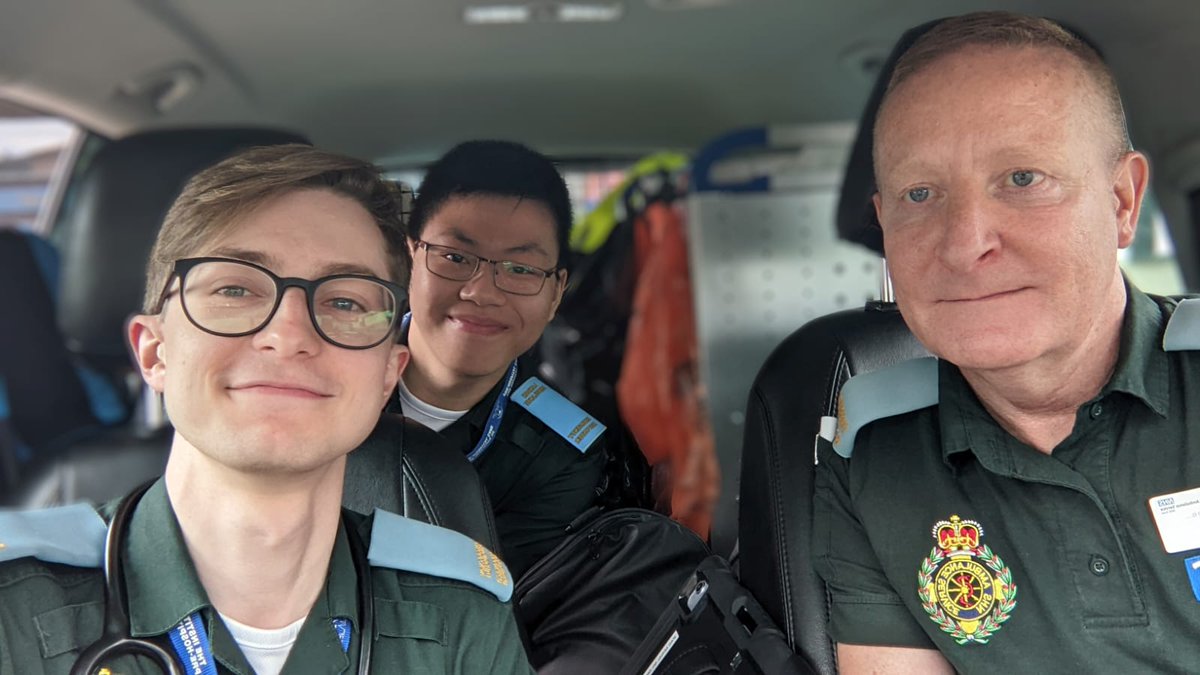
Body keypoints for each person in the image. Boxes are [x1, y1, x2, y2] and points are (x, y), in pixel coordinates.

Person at [0, 144, 533, 674]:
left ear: (388, 375)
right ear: (155, 351)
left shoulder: (462, 613)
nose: (288, 334)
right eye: (236, 289)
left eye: (345, 302)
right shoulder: (12, 609)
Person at [811, 11, 1200, 674]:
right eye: (921, 193)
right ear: (884, 227)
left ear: (1123, 201)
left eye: (1022, 179)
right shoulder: (871, 453)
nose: (964, 243)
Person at [395, 140, 608, 579]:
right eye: (455, 257)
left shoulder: (561, 456)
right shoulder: (325, 378)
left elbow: (495, 605)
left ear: (555, 293)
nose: (482, 293)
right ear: (409, 258)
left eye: (521, 269)